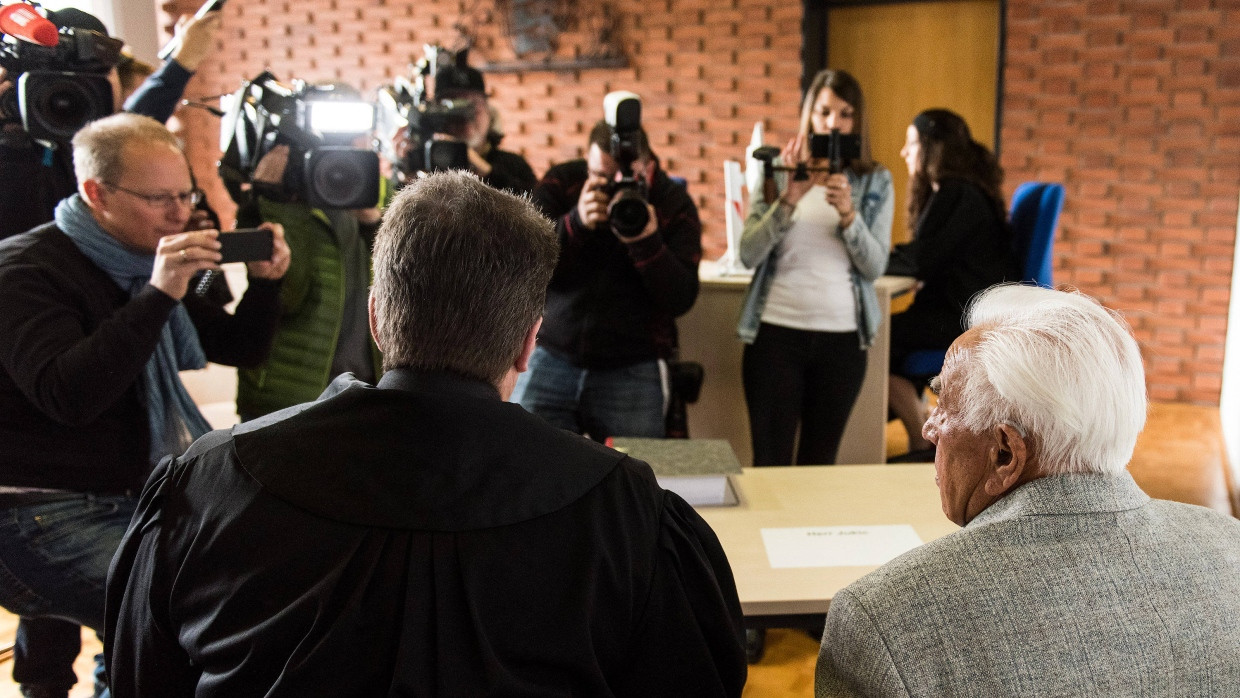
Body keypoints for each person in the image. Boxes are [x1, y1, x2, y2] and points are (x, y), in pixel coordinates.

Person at [105, 170, 747, 696]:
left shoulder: (208, 482)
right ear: (529, 342)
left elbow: (143, 682)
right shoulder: (626, 511)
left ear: (378, 319)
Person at [816, 284, 1240, 697]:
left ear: (1005, 454)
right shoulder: (1232, 547)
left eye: (943, 402)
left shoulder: (882, 621)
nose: (928, 427)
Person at [0, 113, 288, 698]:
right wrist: (159, 294)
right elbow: (69, 395)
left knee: (247, 573)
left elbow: (237, 347)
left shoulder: (152, 260)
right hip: (34, 512)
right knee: (190, 610)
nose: (180, 213)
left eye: (186, 194)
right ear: (96, 193)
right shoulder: (24, 270)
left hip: (131, 498)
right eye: (159, 199)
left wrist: (264, 283)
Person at [513, 108, 702, 441]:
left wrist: (647, 244)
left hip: (633, 366)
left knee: (635, 480)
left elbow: (681, 298)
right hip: (551, 356)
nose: (614, 189)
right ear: (588, 165)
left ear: (650, 168)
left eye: (626, 180)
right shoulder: (563, 183)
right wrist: (575, 224)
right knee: (528, 467)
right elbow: (525, 266)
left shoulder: (673, 203)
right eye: (601, 177)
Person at [737, 69, 893, 467]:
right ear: (809, 115)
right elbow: (748, 253)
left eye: (844, 114)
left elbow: (874, 267)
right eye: (823, 112)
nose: (832, 124)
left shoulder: (874, 180)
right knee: (769, 464)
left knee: (819, 467)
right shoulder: (778, 169)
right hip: (774, 335)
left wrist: (848, 215)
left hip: (841, 343)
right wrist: (788, 199)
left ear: (857, 121)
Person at [232, 81, 384, 420]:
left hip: (368, 390)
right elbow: (287, 296)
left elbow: (399, 291)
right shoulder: (276, 200)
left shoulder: (375, 189)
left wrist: (373, 222)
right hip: (290, 399)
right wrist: (272, 200)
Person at [885, 108, 1020, 461]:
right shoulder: (964, 191)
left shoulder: (957, 193)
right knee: (882, 335)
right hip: (959, 309)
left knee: (870, 340)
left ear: (932, 147)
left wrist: (870, 259)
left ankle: (921, 439)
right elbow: (927, 256)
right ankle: (923, 430)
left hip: (957, 316)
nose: (904, 152)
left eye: (911, 143)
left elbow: (921, 259)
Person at [425, 54, 537, 195]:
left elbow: (536, 209)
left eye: (473, 106)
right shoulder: (423, 162)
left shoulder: (513, 166)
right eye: (455, 107)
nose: (465, 117)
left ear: (489, 113)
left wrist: (488, 173)